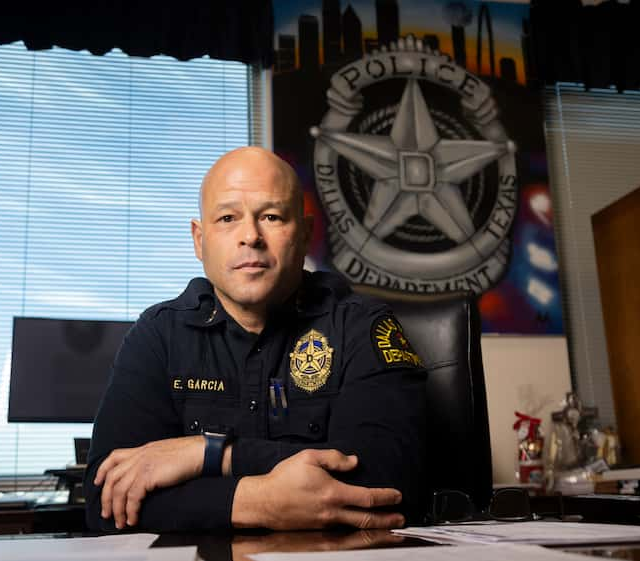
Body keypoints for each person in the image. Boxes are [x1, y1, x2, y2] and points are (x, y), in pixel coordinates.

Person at [84, 147, 427, 532]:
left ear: (305, 234)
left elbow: (387, 486)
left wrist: (211, 453)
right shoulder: (158, 334)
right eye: (228, 218)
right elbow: (106, 501)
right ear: (200, 240)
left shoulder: (361, 327)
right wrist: (259, 501)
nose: (250, 236)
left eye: (271, 216)